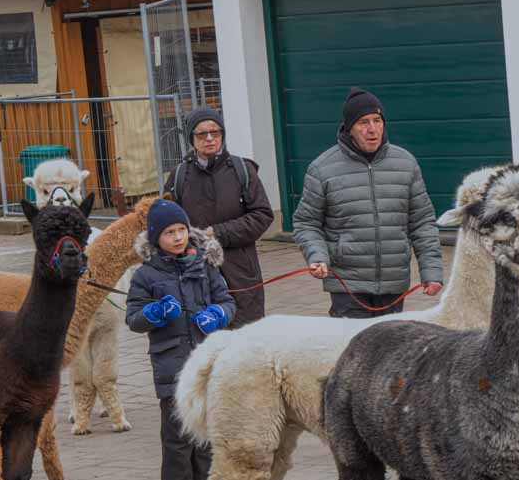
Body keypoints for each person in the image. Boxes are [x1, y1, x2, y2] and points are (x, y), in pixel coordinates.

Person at [126, 200, 237, 480]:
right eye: (169, 232)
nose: (177, 237)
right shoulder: (146, 275)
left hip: (206, 365)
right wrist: (154, 313)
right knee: (176, 438)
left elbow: (228, 301)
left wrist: (219, 315)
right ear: (154, 238)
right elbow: (133, 317)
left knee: (203, 434)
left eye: (181, 230)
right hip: (171, 367)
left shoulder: (205, 266)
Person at [291, 87, 443, 318]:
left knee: (390, 352)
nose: (372, 129)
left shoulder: (406, 164)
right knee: (354, 352)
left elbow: (422, 223)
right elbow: (306, 223)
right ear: (349, 127)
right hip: (348, 286)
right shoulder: (322, 169)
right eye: (363, 122)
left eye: (377, 120)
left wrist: (431, 271)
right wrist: (317, 256)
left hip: (394, 283)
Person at [165, 106, 273, 327]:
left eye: (215, 132)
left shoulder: (242, 170)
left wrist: (218, 233)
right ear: (191, 139)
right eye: (201, 134)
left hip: (241, 272)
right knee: (202, 340)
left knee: (245, 337)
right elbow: (166, 221)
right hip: (194, 270)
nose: (210, 138)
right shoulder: (179, 176)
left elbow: (262, 215)